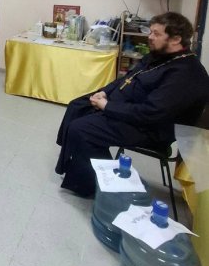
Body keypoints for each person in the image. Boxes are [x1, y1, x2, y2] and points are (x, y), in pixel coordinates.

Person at [55, 12, 209, 197]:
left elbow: (151, 113)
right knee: (77, 106)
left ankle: (101, 186)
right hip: (130, 108)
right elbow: (126, 78)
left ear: (176, 39)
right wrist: (105, 92)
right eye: (150, 31)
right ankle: (71, 161)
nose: (150, 37)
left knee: (82, 129)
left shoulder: (186, 74)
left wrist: (107, 107)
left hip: (152, 129)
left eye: (156, 34)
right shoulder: (158, 55)